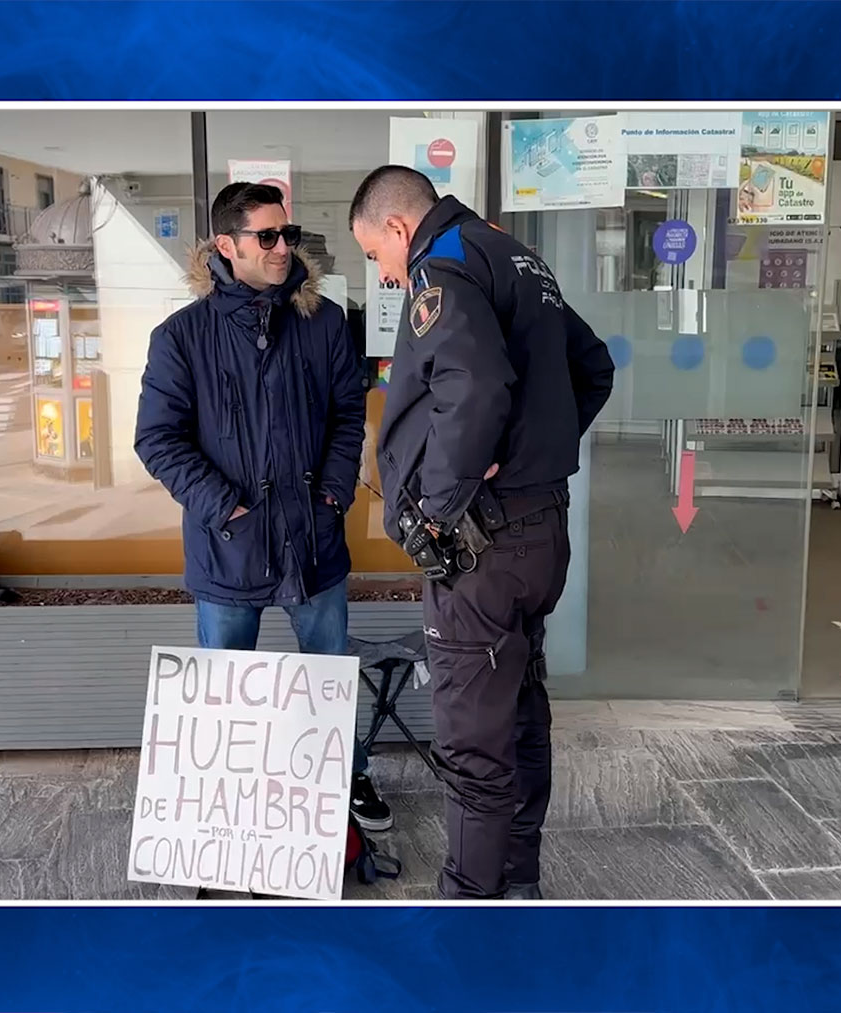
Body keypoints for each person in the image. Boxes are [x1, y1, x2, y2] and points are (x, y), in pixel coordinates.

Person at [350, 166, 614, 900]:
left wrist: (439, 507)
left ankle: (470, 905)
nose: (384, 273)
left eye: (376, 256)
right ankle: (519, 881)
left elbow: (474, 384)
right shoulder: (513, 254)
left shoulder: (444, 266)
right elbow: (590, 368)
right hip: (538, 532)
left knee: (472, 742)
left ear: (399, 229)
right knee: (521, 709)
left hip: (482, 546)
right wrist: (530, 453)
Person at [137, 182, 390, 832]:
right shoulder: (181, 337)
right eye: (268, 236)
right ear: (228, 245)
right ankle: (227, 819)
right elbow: (156, 438)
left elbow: (345, 414)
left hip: (312, 542)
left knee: (328, 681)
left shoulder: (324, 321)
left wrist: (333, 493)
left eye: (289, 234)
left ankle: (346, 778)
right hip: (228, 548)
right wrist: (225, 505)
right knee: (224, 695)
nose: (284, 247)